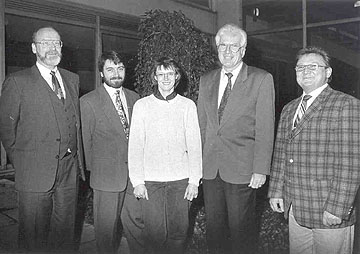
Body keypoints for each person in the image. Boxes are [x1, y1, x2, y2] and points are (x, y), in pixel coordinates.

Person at [268, 46, 360, 254]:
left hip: (328, 208)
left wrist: (337, 208)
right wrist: (276, 191)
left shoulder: (346, 104)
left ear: (328, 72)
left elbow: (351, 162)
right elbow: (281, 152)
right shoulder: (289, 108)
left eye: (313, 67)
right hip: (296, 207)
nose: (306, 71)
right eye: (300, 67)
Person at [0, 27, 85, 252]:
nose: (52, 48)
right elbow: (7, 130)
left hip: (68, 169)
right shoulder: (17, 81)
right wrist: (23, 164)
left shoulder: (72, 79)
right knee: (33, 237)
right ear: (33, 48)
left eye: (56, 43)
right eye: (45, 43)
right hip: (34, 172)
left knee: (65, 233)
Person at [197, 23, 275, 254]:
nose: (228, 51)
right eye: (223, 46)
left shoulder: (261, 79)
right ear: (217, 48)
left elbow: (265, 127)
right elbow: (202, 126)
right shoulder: (206, 80)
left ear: (243, 50)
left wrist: (260, 169)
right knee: (214, 231)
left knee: (242, 232)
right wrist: (195, 167)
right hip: (210, 169)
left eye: (234, 46)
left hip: (242, 169)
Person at [127, 57, 202, 254]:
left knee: (179, 232)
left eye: (170, 74)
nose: (166, 78)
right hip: (151, 181)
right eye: (161, 74)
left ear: (177, 76)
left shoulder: (187, 106)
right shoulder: (142, 106)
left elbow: (194, 145)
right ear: (155, 77)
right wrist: (137, 181)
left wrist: (194, 181)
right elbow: (135, 145)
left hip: (180, 181)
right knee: (154, 233)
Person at [80, 51, 139, 254]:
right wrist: (94, 173)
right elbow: (85, 143)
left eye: (120, 68)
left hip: (134, 179)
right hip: (106, 178)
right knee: (106, 236)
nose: (116, 74)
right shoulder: (88, 102)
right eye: (110, 69)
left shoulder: (135, 98)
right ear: (101, 73)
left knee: (136, 230)